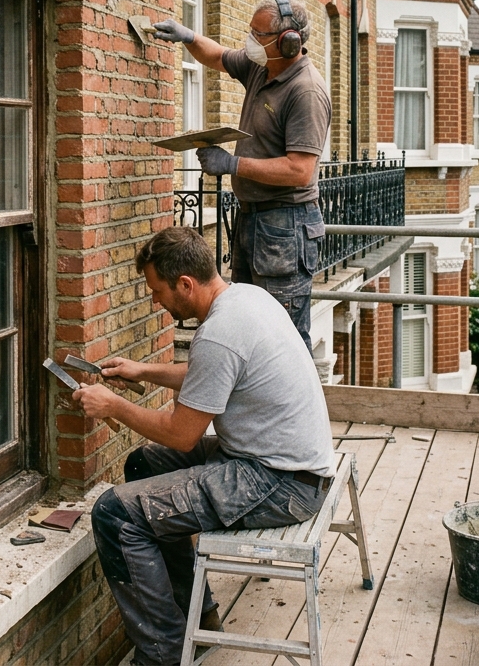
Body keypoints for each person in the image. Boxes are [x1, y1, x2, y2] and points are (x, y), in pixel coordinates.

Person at [72, 227, 338, 666]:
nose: (156, 301)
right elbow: (212, 374)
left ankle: (164, 654)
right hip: (280, 464)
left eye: (157, 291)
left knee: (115, 513)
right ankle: (201, 614)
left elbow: (182, 433)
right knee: (144, 465)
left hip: (283, 483)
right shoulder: (245, 299)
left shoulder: (220, 333)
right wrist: (143, 371)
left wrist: (113, 405)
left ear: (185, 285)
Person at [153, 0, 331, 347]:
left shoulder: (305, 91)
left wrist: (232, 164)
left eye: (258, 33)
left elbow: (300, 170)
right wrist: (188, 36)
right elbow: (217, 56)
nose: (250, 39)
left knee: (284, 336)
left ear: (288, 41)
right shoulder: (262, 67)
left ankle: (296, 403)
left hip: (286, 226)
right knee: (249, 324)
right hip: (254, 218)